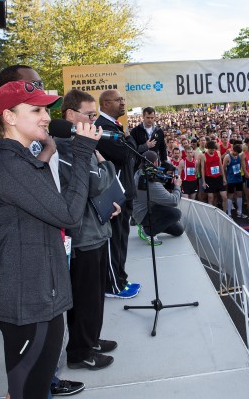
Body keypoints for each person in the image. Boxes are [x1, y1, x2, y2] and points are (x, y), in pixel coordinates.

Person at [0, 81, 99, 399]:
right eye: (36, 110)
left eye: (45, 109)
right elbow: (68, 215)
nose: (46, 117)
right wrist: (83, 152)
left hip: (40, 294)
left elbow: (48, 205)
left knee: (33, 386)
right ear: (9, 117)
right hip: (27, 299)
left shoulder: (21, 160)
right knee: (28, 390)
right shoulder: (9, 165)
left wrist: (47, 154)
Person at [55, 89, 120, 372]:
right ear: (71, 115)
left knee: (95, 296)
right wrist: (106, 164)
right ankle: (80, 351)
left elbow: (98, 184)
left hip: (96, 229)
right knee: (85, 299)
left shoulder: (81, 145)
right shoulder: (65, 147)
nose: (94, 121)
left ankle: (91, 340)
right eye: (90, 115)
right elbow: (95, 183)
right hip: (82, 236)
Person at [94, 90, 141, 299]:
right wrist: (129, 137)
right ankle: (112, 285)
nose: (123, 103)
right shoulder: (103, 128)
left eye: (123, 99)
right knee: (114, 242)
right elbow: (125, 153)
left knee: (122, 240)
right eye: (118, 100)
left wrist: (128, 139)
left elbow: (132, 154)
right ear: (105, 103)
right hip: (114, 195)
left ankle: (121, 278)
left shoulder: (114, 126)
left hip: (124, 193)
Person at [133, 151, 184, 240]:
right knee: (176, 214)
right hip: (143, 213)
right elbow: (174, 201)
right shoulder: (151, 183)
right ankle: (147, 232)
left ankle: (149, 226)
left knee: (178, 230)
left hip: (144, 207)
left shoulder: (140, 172)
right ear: (155, 163)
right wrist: (177, 186)